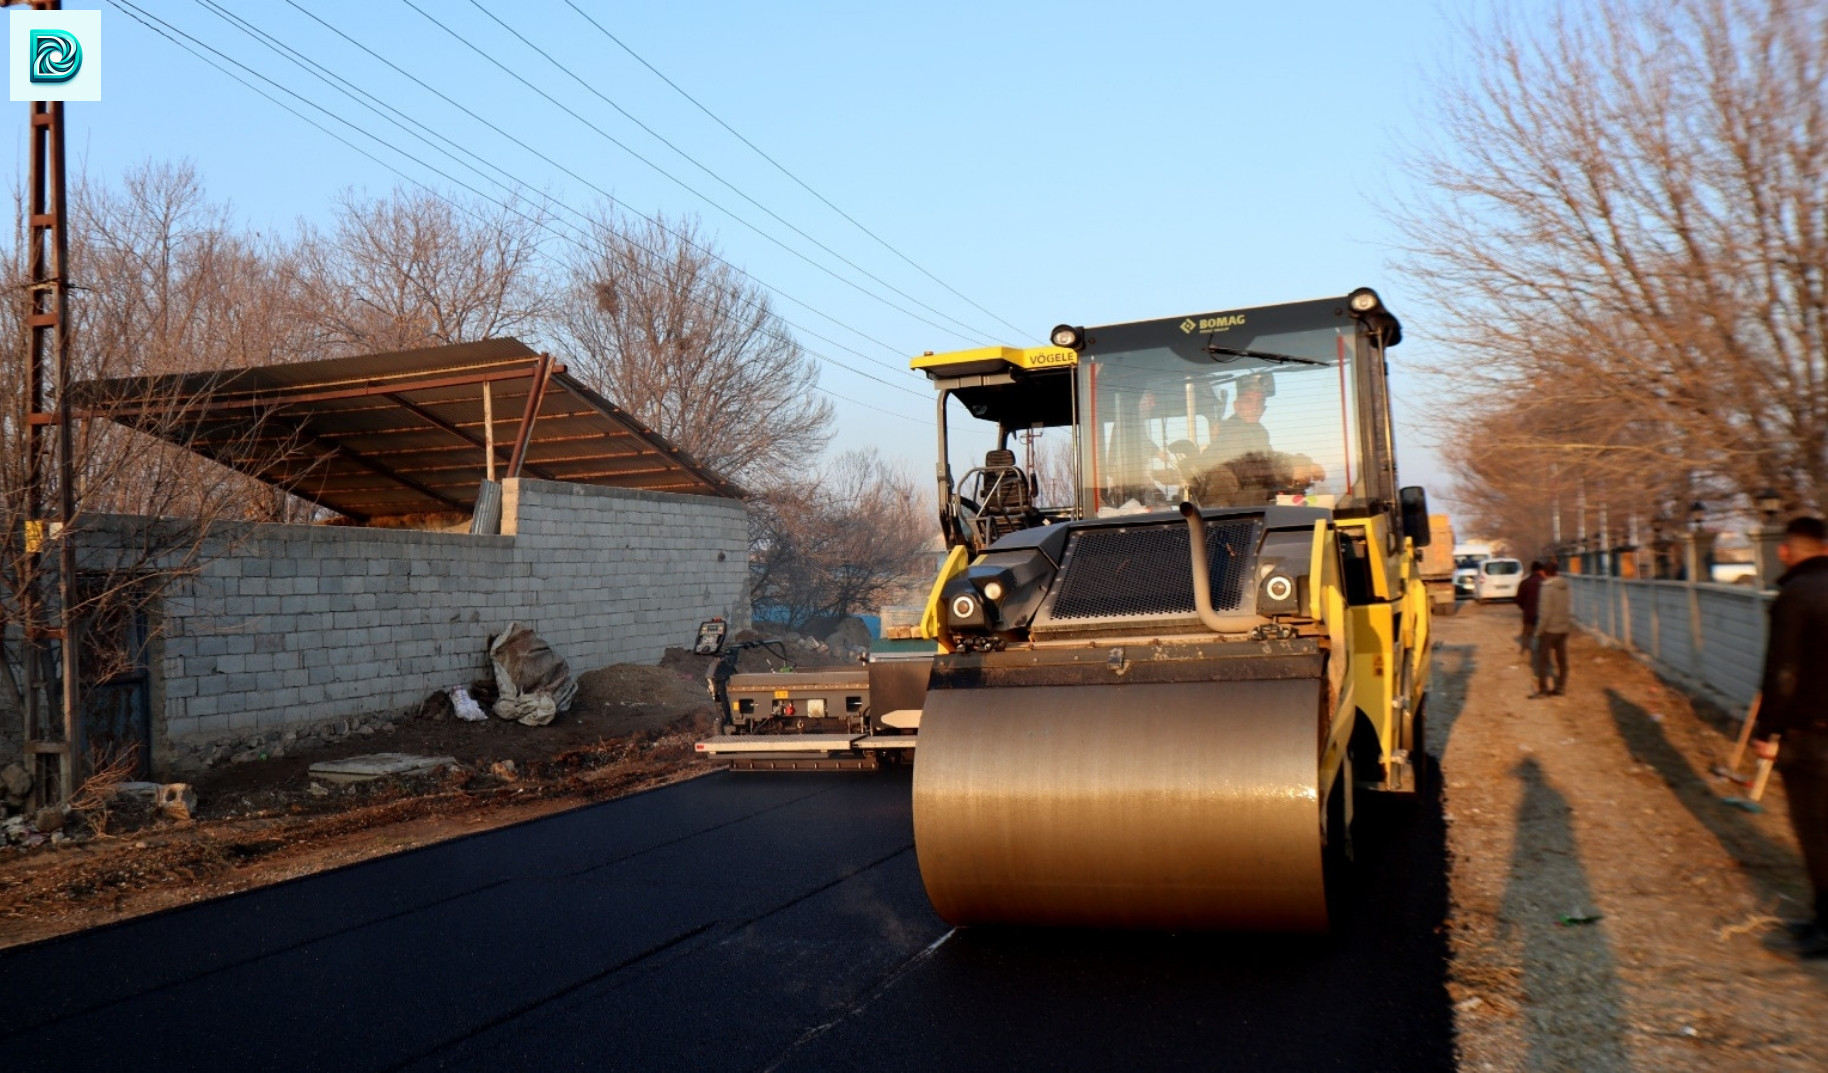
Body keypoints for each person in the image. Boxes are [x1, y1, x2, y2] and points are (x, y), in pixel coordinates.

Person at [1751, 516, 1828, 957]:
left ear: (1786, 551)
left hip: (1813, 736)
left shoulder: (1795, 596)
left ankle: (1827, 923)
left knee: (1816, 831)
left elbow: (1782, 672)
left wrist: (1767, 731)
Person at [1532, 560, 1570, 697]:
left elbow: (1545, 614)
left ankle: (1543, 689)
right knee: (1562, 660)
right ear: (1557, 572)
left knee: (1542, 660)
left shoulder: (1546, 589)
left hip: (1549, 630)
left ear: (1544, 573)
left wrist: (1538, 632)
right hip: (1563, 628)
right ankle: (1560, 687)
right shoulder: (1564, 586)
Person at [1516, 561, 1547, 657]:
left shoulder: (1524, 583)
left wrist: (1525, 608)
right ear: (1541, 571)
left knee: (1527, 633)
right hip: (1543, 614)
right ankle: (1541, 652)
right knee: (1543, 634)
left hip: (1529, 614)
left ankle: (1525, 651)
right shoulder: (1545, 583)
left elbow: (1519, 600)